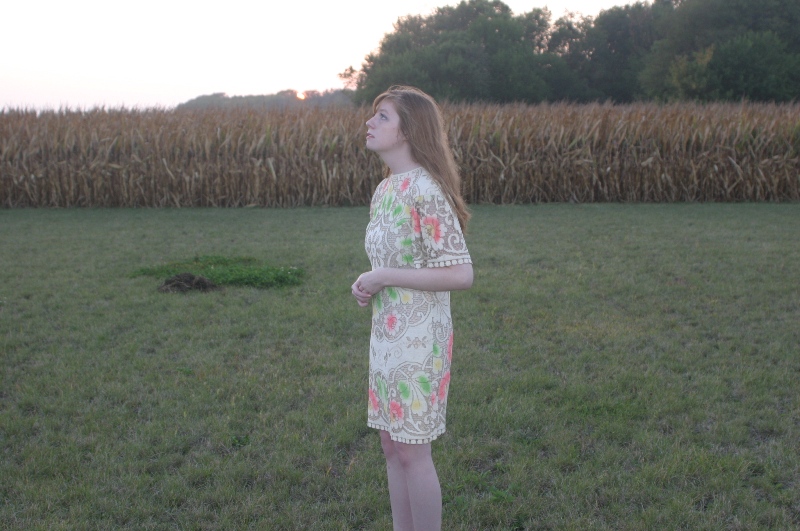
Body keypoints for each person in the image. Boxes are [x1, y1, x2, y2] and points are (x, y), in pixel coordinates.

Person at [351, 85, 473, 531]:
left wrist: (385, 276)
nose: (370, 122)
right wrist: (369, 282)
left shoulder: (426, 190)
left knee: (412, 451)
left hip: (420, 339)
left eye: (382, 116)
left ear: (408, 130)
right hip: (387, 335)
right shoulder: (386, 189)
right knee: (391, 445)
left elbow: (461, 274)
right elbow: (392, 262)